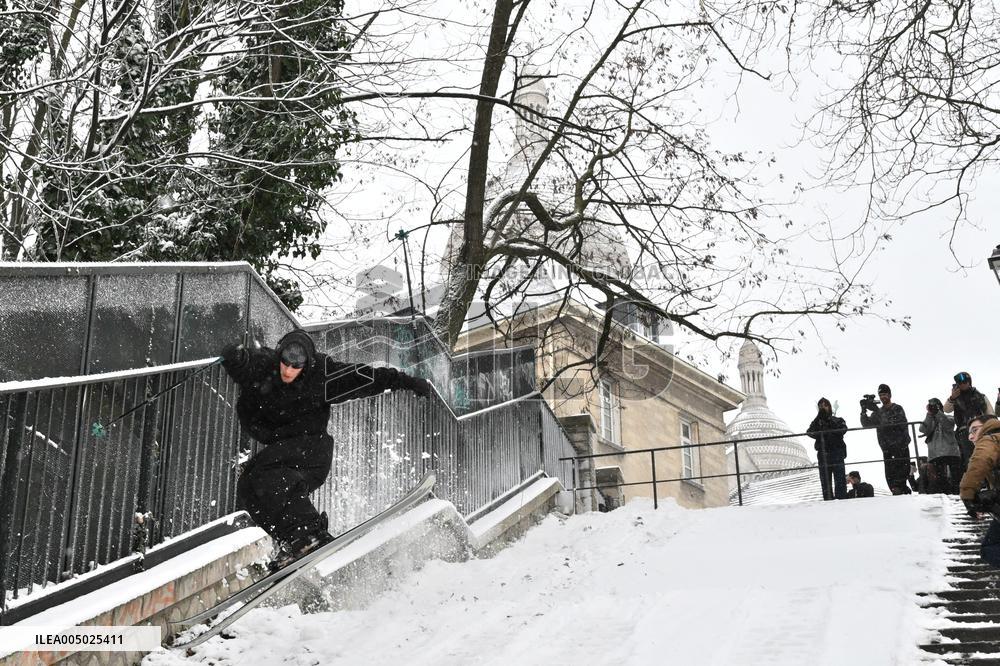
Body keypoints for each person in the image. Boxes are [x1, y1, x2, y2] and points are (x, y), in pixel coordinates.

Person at [221, 329, 433, 568]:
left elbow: (366, 377)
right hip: (283, 450)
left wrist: (408, 381)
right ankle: (294, 542)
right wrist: (234, 358)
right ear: (279, 356)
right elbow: (244, 365)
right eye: (284, 364)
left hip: (311, 451)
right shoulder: (263, 366)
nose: (288, 371)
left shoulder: (322, 376)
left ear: (307, 364)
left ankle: (310, 532)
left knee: (268, 473)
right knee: (248, 485)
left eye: (295, 367)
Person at [958, 415, 1000, 568]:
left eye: (975, 430)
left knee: (989, 549)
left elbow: (979, 463)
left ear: (988, 426)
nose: (971, 436)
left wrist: (967, 495)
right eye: (969, 433)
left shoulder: (991, 438)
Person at [860, 383, 912, 495]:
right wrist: (863, 410)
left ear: (890, 395)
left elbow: (890, 423)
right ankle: (901, 494)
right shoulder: (879, 412)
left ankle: (904, 494)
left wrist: (877, 411)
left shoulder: (897, 408)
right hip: (887, 449)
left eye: (885, 394)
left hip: (900, 447)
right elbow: (866, 424)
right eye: (881, 395)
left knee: (900, 478)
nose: (883, 397)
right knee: (891, 479)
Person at [945, 372, 995, 473]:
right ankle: (977, 482)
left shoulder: (980, 396)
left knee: (986, 454)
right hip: (964, 431)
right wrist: (952, 398)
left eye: (965, 382)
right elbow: (946, 409)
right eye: (960, 382)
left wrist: (993, 427)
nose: (962, 384)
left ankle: (990, 481)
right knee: (970, 457)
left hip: (982, 430)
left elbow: (990, 412)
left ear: (969, 382)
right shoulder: (955, 398)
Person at [807, 397, 848, 500]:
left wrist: (829, 420)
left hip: (836, 452)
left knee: (840, 480)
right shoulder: (817, 422)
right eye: (820, 406)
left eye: (825, 405)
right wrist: (818, 418)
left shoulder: (838, 420)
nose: (823, 408)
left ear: (829, 407)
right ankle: (828, 501)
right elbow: (809, 432)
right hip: (823, 454)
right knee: (825, 482)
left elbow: (843, 429)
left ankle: (841, 500)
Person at [919, 397, 962, 494]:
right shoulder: (930, 420)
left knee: (956, 478)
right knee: (939, 479)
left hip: (951, 452)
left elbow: (948, 425)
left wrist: (937, 412)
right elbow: (922, 429)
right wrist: (929, 414)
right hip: (935, 454)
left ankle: (957, 493)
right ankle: (947, 493)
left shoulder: (949, 417)